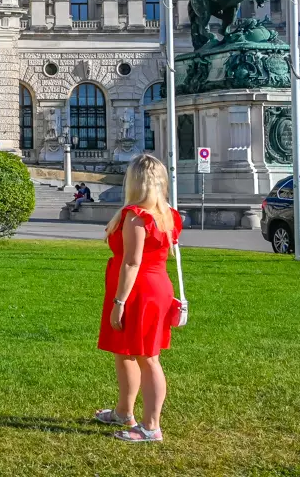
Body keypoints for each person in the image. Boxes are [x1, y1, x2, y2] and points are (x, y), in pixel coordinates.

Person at [94, 153, 183, 443]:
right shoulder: (168, 214)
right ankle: (124, 411)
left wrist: (119, 302)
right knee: (125, 351)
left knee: (147, 357)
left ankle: (151, 426)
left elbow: (132, 262)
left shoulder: (136, 217)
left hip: (138, 290)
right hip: (155, 286)